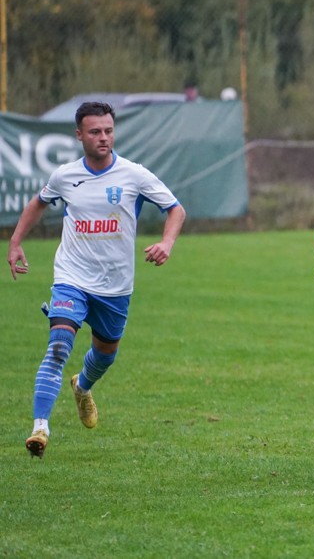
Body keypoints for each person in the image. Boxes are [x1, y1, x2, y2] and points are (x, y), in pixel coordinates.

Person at [7, 101, 186, 458]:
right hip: (71, 277)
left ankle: (82, 386)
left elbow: (175, 209)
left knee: (105, 356)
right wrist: (15, 242)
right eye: (95, 132)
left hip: (115, 286)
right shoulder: (66, 175)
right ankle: (40, 428)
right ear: (79, 135)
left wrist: (167, 243)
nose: (103, 137)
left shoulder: (134, 175)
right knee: (59, 346)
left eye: (108, 131)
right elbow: (39, 202)